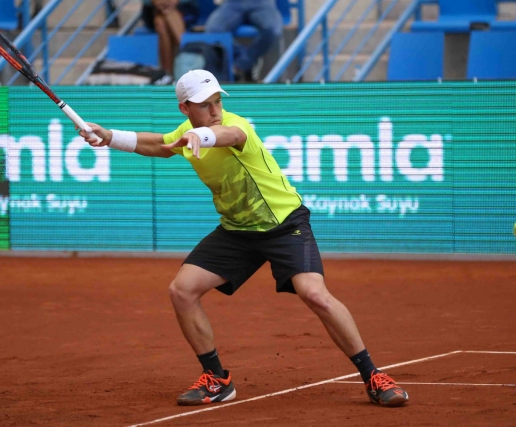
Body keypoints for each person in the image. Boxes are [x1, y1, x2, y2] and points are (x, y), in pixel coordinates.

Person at [78, 69, 409, 408]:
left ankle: (374, 376)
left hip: (284, 225)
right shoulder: (184, 131)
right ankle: (217, 379)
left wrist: (203, 136)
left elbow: (228, 134)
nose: (215, 110)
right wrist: (110, 137)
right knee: (182, 290)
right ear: (185, 109)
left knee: (315, 294)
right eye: (205, 105)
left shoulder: (237, 125)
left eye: (218, 101)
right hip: (237, 231)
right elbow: (161, 145)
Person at [204, 0, 283, 82]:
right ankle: (247, 62)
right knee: (213, 31)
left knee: (273, 30)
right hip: (232, 3)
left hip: (262, 3)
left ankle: (240, 65)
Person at [142, 0, 200, 76]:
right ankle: (187, 51)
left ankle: (167, 73)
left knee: (161, 22)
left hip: (184, 9)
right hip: (153, 10)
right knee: (167, 15)